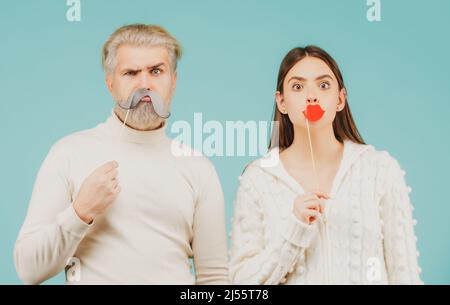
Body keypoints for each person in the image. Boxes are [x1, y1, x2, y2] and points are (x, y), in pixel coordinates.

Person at [14, 24, 229, 285]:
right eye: (131, 73)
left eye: (156, 71)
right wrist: (80, 212)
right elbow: (28, 269)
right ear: (110, 83)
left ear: (173, 81)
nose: (145, 84)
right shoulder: (67, 154)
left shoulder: (198, 168)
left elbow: (214, 279)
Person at [229, 45, 422, 285]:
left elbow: (406, 276)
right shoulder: (258, 179)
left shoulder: (380, 170)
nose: (312, 96)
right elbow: (241, 283)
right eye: (297, 87)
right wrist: (294, 229)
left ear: (340, 99)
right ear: (282, 102)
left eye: (323, 85)